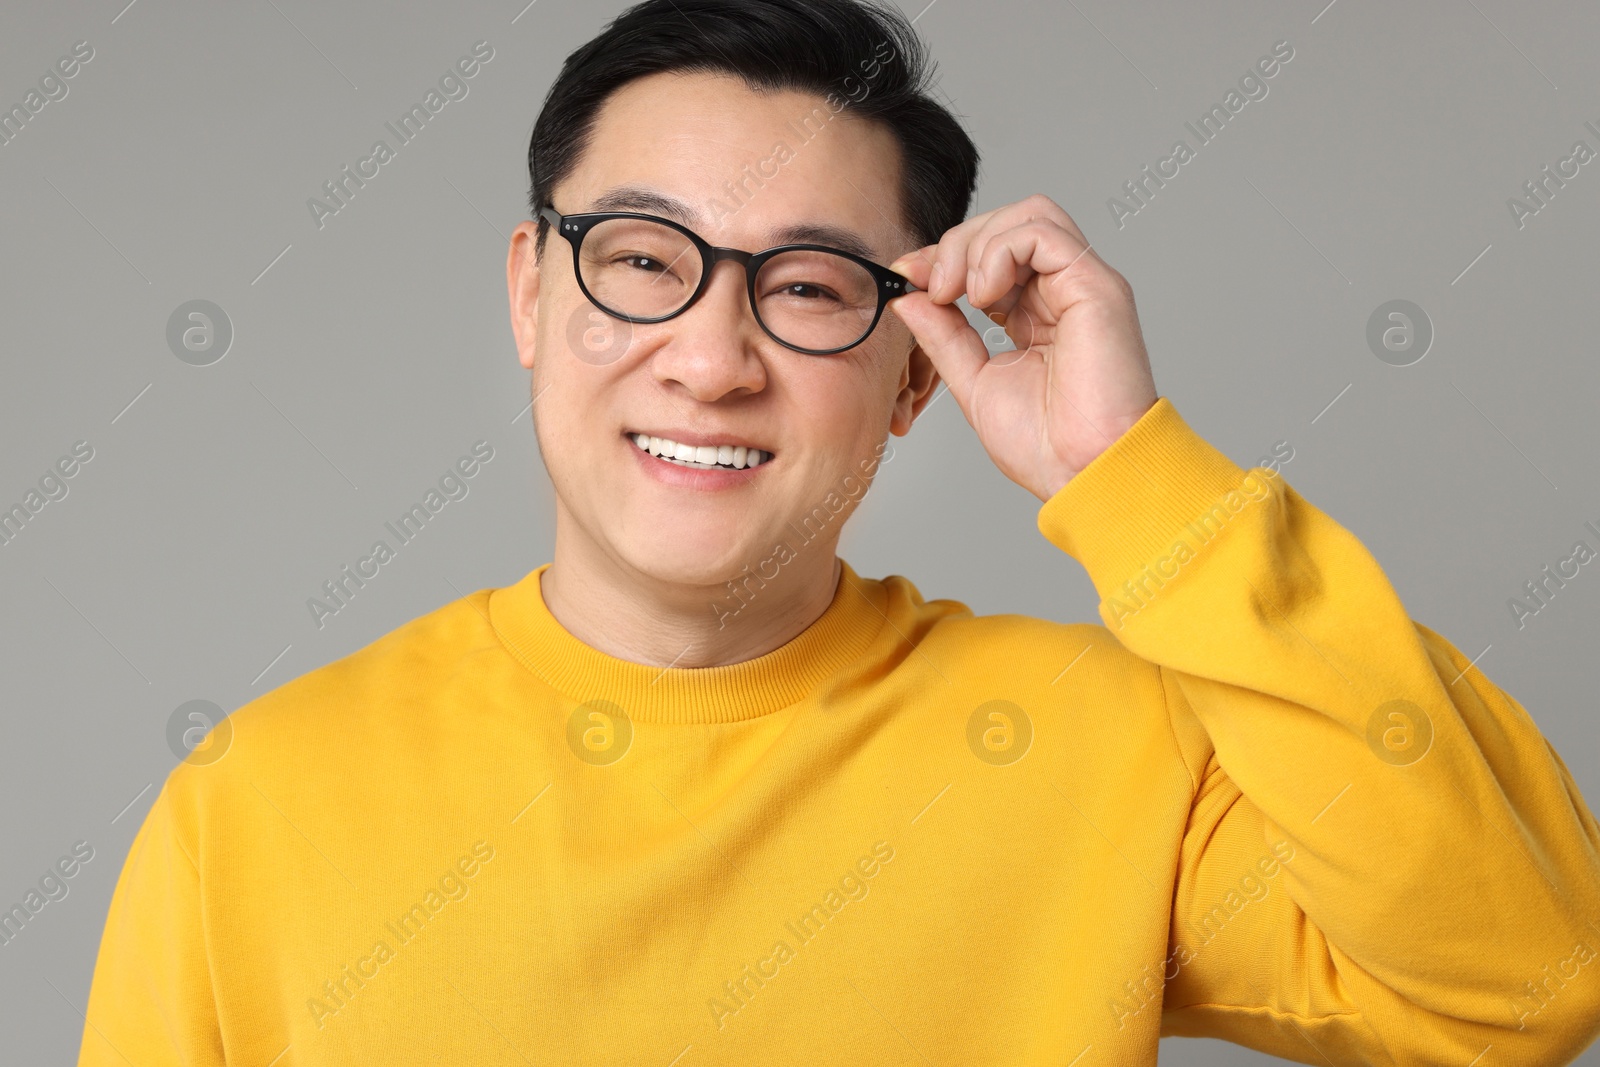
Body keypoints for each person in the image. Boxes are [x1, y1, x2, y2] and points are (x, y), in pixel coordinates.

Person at [79, 0, 1600, 1063]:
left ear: (913, 378)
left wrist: (1137, 477)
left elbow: (1520, 986)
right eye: (643, 258)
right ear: (533, 293)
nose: (712, 353)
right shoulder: (256, 804)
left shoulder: (1105, 747)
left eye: (809, 287)